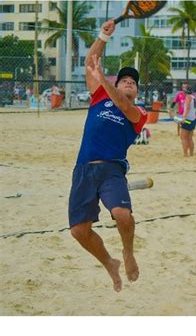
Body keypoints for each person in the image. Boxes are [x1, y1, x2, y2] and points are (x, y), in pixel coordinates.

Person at [68, 19, 148, 293]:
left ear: (136, 91)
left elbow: (124, 105)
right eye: (124, 79)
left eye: (132, 82)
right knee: (79, 231)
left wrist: (105, 78)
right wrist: (103, 35)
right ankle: (109, 263)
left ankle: (127, 252)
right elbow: (91, 60)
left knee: (122, 215)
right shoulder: (99, 95)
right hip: (83, 170)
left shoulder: (139, 115)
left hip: (112, 170)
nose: (128, 83)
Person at [179, 86, 196, 157]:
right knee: (190, 138)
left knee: (183, 137)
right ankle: (191, 153)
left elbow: (188, 108)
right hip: (193, 119)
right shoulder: (194, 98)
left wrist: (184, 118)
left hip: (188, 119)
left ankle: (185, 154)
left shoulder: (188, 97)